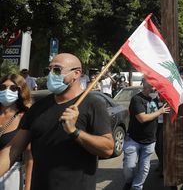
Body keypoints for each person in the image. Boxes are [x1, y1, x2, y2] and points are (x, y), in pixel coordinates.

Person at [0, 53, 114, 190]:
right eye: (48, 70)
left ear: (76, 74)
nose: (50, 75)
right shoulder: (38, 108)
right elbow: (12, 150)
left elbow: (107, 148)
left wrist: (75, 132)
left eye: (57, 70)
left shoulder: (93, 104)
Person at [123, 79, 170, 190]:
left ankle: (137, 187)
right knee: (129, 167)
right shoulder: (137, 99)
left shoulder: (157, 99)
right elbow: (142, 118)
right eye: (152, 87)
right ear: (145, 87)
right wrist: (159, 112)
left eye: (155, 87)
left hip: (149, 141)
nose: (155, 89)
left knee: (144, 169)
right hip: (133, 140)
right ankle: (129, 181)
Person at [0, 74, 33, 190]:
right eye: (2, 87)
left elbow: (29, 156)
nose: (6, 91)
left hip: (10, 175)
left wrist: (28, 187)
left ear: (21, 91)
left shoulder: (26, 117)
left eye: (13, 88)